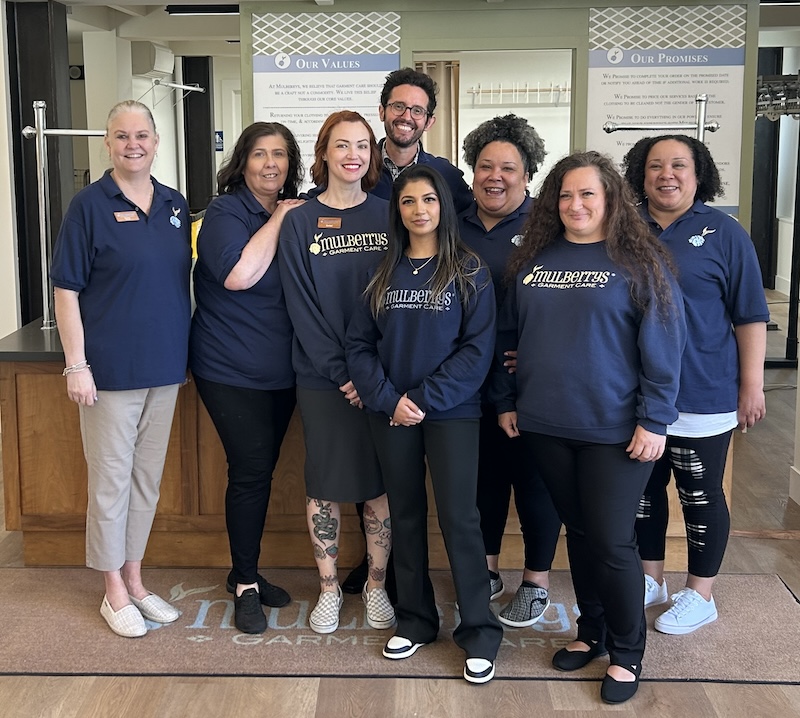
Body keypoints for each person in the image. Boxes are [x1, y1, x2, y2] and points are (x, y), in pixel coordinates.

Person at [491, 151, 685, 704]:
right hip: (546, 423)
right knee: (577, 532)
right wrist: (508, 400)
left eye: (588, 195)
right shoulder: (532, 260)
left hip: (615, 428)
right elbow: (509, 335)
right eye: (566, 195)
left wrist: (655, 419)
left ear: (611, 201)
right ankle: (592, 632)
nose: (575, 205)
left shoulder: (638, 262)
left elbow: (664, 346)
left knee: (611, 540)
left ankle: (628, 652)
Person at [346, 164, 503, 684]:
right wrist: (390, 400)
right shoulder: (380, 270)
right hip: (390, 413)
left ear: (443, 207)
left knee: (461, 520)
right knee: (406, 518)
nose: (419, 210)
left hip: (451, 414)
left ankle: (479, 631)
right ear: (398, 210)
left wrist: (423, 399)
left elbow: (477, 351)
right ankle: (415, 620)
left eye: (429, 200)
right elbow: (359, 345)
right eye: (409, 201)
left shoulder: (469, 270)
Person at [50, 100, 191, 638]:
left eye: (142, 135)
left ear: (157, 142)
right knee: (111, 483)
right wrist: (76, 365)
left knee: (145, 483)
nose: (133, 144)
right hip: (108, 372)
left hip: (165, 369)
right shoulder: (89, 205)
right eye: (121, 136)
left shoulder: (176, 205)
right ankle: (112, 590)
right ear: (107, 144)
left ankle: (136, 579)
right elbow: (66, 290)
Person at [622, 135, 769, 635]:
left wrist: (752, 385)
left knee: (700, 495)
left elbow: (749, 315)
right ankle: (650, 579)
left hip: (703, 390)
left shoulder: (725, 233)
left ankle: (700, 593)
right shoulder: (623, 228)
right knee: (643, 493)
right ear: (640, 175)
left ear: (698, 173)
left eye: (679, 165)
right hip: (635, 394)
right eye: (655, 166)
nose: (667, 174)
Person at [278, 111, 395, 635]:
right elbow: (301, 305)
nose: (353, 154)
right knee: (323, 482)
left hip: (382, 378)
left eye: (363, 146)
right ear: (323, 152)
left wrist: (369, 374)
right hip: (324, 379)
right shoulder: (300, 219)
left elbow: (401, 299)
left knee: (378, 485)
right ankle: (328, 589)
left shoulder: (391, 214)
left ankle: (375, 586)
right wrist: (342, 372)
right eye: (342, 145)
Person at [189, 122, 305, 634]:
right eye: (260, 154)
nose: (271, 164)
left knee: (263, 469)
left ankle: (248, 570)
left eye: (280, 155)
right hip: (230, 368)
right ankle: (244, 582)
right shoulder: (225, 211)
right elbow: (239, 274)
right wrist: (280, 215)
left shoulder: (298, 211)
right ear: (243, 161)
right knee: (252, 470)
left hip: (283, 370)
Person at [460, 114, 561, 627]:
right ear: (471, 170)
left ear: (528, 173)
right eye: (484, 166)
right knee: (484, 481)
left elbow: (571, 302)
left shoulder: (549, 227)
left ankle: (536, 580)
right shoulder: (452, 222)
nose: (494, 176)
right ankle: (488, 570)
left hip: (528, 380)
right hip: (463, 379)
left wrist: (542, 353)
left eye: (508, 167)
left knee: (533, 481)